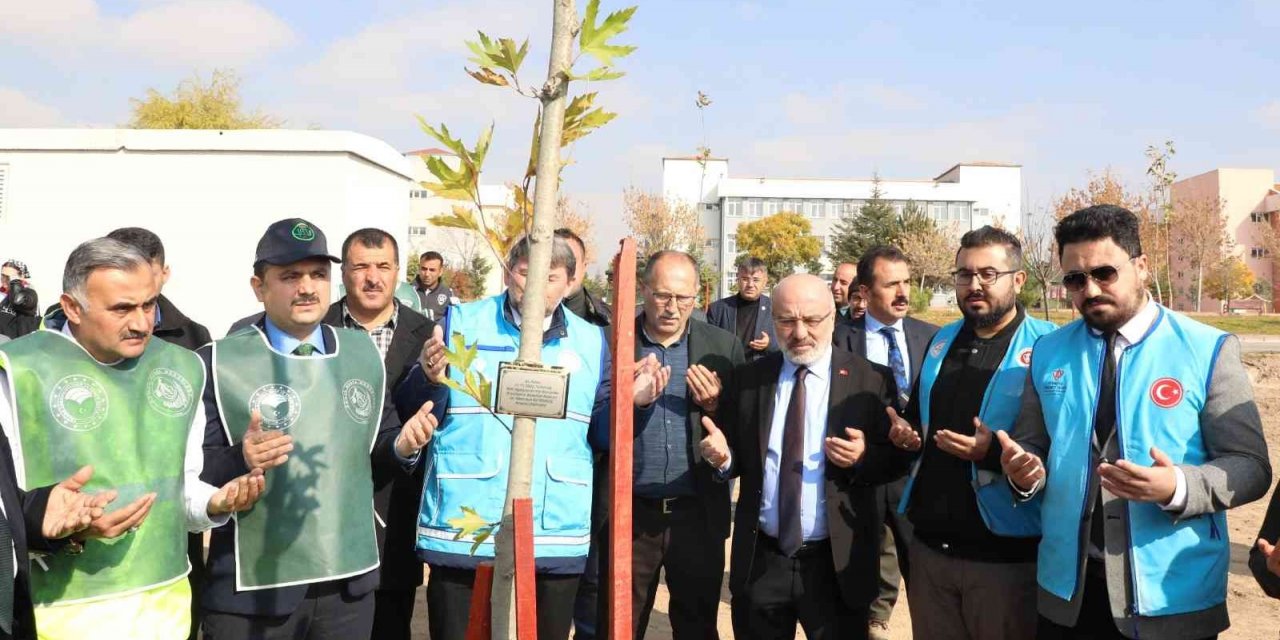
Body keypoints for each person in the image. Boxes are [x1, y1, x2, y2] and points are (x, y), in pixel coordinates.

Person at [1000, 204, 1271, 640]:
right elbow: (1031, 444)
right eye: (1074, 279)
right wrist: (1024, 470)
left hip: (1170, 594)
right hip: (1069, 592)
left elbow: (1251, 466)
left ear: (1141, 267)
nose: (1089, 290)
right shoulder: (1049, 353)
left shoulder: (1208, 350)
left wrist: (1178, 487)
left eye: (1104, 273)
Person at [0, 238, 264, 640]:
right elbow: (7, 516)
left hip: (165, 612)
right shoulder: (18, 371)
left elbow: (183, 487)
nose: (142, 322)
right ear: (72, 307)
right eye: (122, 308)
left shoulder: (182, 367)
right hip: (57, 614)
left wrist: (214, 501)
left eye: (149, 304)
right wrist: (57, 527)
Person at [197, 218, 438, 639]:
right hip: (254, 591)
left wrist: (401, 445)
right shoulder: (219, 361)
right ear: (259, 286)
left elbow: (375, 446)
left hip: (345, 587)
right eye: (290, 276)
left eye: (317, 275)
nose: (307, 287)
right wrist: (241, 458)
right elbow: (191, 472)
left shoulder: (361, 354)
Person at [399, 234, 637, 640]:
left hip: (554, 528)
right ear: (509, 272)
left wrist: (634, 402)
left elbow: (599, 436)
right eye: (525, 273)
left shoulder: (592, 341)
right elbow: (416, 409)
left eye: (551, 277)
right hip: (466, 522)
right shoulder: (462, 322)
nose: (535, 287)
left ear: (570, 282)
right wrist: (429, 377)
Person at [701, 273, 900, 640]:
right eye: (787, 320)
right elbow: (736, 457)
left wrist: (864, 457)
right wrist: (722, 459)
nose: (799, 332)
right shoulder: (750, 380)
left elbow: (896, 465)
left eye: (811, 320)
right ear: (772, 319)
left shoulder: (871, 380)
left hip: (836, 565)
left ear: (833, 317)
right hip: (763, 559)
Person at [886, 226, 1055, 639]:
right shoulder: (941, 340)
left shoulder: (1049, 348)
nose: (974, 284)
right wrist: (906, 434)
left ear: (1018, 280)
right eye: (964, 274)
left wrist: (993, 454)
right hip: (930, 551)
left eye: (987, 274)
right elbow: (918, 418)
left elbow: (1066, 448)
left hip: (1005, 559)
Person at [617, 250, 744, 639]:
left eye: (683, 298)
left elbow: (743, 430)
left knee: (697, 625)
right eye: (662, 296)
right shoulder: (617, 343)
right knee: (622, 622)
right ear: (643, 290)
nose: (673, 308)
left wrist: (716, 411)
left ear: (697, 296)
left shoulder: (723, 347)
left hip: (697, 513)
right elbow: (595, 421)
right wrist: (631, 402)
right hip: (631, 516)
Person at [102, 226, 215, 640]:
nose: (137, 321)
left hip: (166, 550)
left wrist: (218, 497)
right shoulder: (49, 348)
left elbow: (194, 455)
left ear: (163, 274)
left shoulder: (192, 342)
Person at [329, 228, 434, 640]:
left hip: (395, 507)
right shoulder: (317, 327)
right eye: (361, 267)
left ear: (398, 272)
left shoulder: (428, 336)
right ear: (345, 273)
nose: (373, 278)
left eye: (383, 267)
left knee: (389, 625)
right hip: (326, 509)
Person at [832, 245, 938, 639]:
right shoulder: (838, 341)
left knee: (928, 586)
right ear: (863, 291)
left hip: (919, 478)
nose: (903, 293)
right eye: (891, 284)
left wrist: (920, 436)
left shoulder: (934, 339)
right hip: (859, 481)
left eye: (907, 282)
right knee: (857, 583)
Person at [707, 257, 777, 362]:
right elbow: (707, 344)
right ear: (737, 279)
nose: (750, 285)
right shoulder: (717, 309)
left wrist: (769, 344)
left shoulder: (776, 309)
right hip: (727, 372)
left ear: (765, 281)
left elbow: (787, 345)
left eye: (756, 280)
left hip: (762, 373)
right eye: (745, 279)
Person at [555, 228, 612, 328]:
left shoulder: (607, 321)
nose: (564, 269)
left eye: (571, 260)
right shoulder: (522, 319)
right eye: (556, 261)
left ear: (584, 267)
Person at [413, 251, 456, 321]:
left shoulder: (448, 294)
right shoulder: (408, 291)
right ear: (419, 268)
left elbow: (455, 323)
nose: (427, 274)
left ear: (440, 272)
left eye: (432, 270)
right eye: (424, 269)